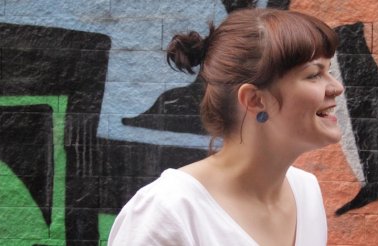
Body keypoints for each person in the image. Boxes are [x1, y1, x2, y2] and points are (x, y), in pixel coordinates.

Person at [108, 7, 343, 246]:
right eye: (314, 74)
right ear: (255, 100)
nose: (336, 87)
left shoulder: (306, 193)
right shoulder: (168, 212)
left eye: (330, 71)